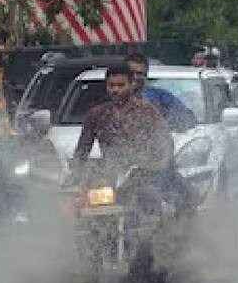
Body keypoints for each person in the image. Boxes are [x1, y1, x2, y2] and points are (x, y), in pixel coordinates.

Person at [70, 63, 192, 213]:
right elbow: (82, 150)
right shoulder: (97, 114)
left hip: (146, 174)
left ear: (131, 85)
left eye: (121, 85)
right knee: (81, 207)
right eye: (111, 85)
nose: (115, 90)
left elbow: (166, 143)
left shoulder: (147, 111)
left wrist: (162, 164)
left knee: (162, 198)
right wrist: (77, 175)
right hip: (112, 177)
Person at [124, 53, 197, 132]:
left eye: (139, 73)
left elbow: (187, 120)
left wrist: (161, 120)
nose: (134, 77)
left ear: (146, 75)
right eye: (130, 72)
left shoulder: (161, 97)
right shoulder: (111, 96)